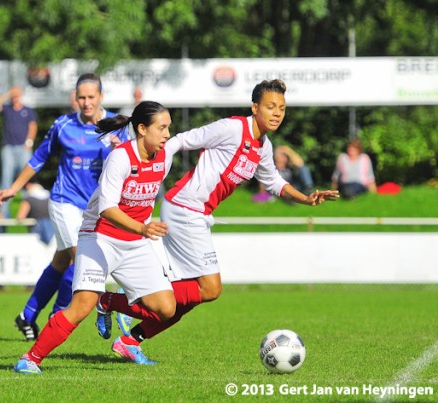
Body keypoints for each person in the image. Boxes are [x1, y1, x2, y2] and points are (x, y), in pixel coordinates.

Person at [107, 79, 339, 362]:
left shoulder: (263, 146)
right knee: (211, 288)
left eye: (281, 108)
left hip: (198, 214)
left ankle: (131, 339)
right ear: (255, 108)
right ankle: (126, 297)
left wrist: (306, 199)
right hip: (184, 208)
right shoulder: (232, 128)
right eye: (270, 106)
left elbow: (274, 182)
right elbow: (182, 140)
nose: (277, 113)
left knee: (195, 297)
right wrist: (152, 164)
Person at [13, 101, 184, 375]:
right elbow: (107, 208)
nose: (167, 134)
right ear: (142, 129)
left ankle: (107, 302)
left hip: (134, 241)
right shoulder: (121, 157)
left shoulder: (165, 156)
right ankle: (30, 359)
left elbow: (200, 138)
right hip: (99, 237)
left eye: (169, 129)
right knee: (80, 307)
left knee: (166, 308)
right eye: (162, 128)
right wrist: (142, 228)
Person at [0, 73, 130, 342]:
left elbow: (132, 162)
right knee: (79, 257)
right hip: (64, 201)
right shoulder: (63, 125)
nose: (86, 102)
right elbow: (38, 159)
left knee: (62, 259)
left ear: (101, 97)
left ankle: (27, 314)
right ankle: (57, 318)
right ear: (75, 98)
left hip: (96, 206)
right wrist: (14, 188)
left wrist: (121, 148)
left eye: (91, 97)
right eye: (82, 97)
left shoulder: (117, 125)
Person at [0, 86, 38, 192]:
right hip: (8, 147)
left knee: (27, 177)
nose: (15, 97)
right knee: (6, 177)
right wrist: (8, 94)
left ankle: (29, 204)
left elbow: (33, 126)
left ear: (21, 96)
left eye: (17, 95)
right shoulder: (7, 109)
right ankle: (3, 207)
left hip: (24, 148)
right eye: (13, 95)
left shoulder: (28, 110)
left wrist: (29, 143)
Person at [16, 178, 54, 246]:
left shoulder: (29, 197)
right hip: (53, 230)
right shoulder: (49, 195)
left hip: (37, 230)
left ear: (27, 185)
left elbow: (20, 217)